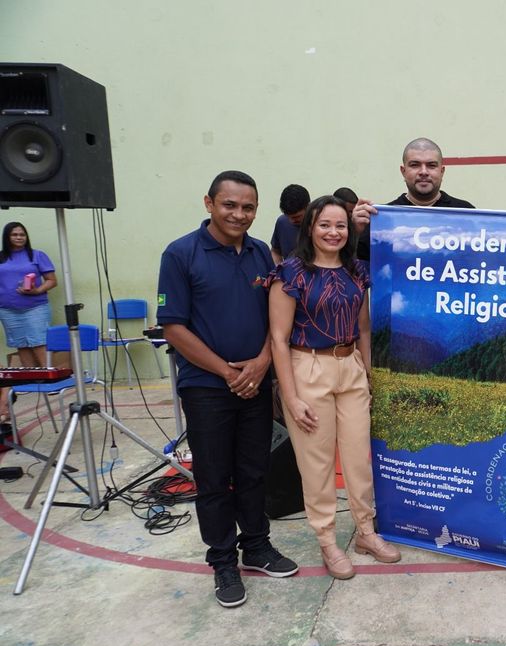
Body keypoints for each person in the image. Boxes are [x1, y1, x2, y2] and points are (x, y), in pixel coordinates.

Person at [157, 170, 298, 608]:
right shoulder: (181, 254)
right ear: (209, 203)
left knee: (255, 471)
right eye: (230, 205)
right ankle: (222, 561)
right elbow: (173, 327)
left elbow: (276, 322)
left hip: (256, 382)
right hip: (207, 388)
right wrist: (226, 371)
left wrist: (259, 364)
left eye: (248, 207)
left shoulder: (261, 256)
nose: (239, 214)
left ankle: (256, 546)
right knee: (215, 478)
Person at [269, 194, 400, 579]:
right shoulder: (291, 273)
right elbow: (278, 338)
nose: (333, 231)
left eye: (340, 225)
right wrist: (290, 396)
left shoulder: (356, 271)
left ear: (350, 229)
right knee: (318, 462)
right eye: (325, 224)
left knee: (359, 458)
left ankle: (365, 531)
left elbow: (362, 329)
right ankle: (326, 539)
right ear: (310, 227)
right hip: (307, 366)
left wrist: (370, 375)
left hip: (350, 367)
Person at [354, 137, 474, 261]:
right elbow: (356, 271)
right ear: (403, 171)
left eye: (431, 165)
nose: (423, 172)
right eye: (415, 165)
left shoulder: (466, 213)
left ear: (442, 171)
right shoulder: (382, 219)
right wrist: (356, 234)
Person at [0, 222, 58, 368]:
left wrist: (37, 291)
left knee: (39, 342)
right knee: (21, 344)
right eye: (14, 234)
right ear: (6, 237)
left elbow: (51, 281)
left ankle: (48, 379)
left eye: (22, 234)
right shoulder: (1, 257)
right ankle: (31, 379)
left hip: (35, 308)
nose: (19, 237)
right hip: (7, 310)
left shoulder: (37, 255)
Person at [270, 184, 311, 265]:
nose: (291, 221)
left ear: (308, 206)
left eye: (297, 217)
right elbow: (275, 251)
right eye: (288, 216)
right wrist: (279, 270)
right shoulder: (282, 222)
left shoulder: (321, 225)